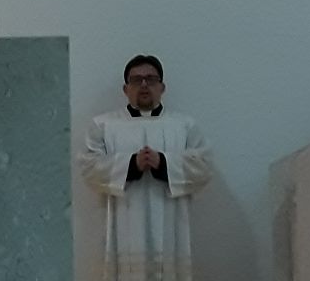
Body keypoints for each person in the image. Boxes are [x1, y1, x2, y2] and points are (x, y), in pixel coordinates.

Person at [79, 55, 212, 281]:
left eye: (150, 79)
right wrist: (131, 164)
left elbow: (203, 166)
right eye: (136, 80)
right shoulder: (103, 125)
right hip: (122, 222)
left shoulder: (183, 125)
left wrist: (164, 163)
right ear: (125, 88)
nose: (143, 85)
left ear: (162, 87)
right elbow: (89, 166)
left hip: (171, 225)